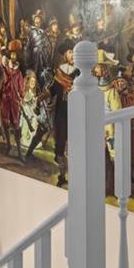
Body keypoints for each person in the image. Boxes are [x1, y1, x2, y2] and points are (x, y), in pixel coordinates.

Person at [49, 46, 77, 187]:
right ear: (65, 55)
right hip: (62, 112)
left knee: (75, 145)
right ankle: (62, 176)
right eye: (70, 52)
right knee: (60, 142)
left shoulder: (79, 72)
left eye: (74, 52)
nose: (72, 55)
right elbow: (53, 90)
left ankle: (77, 178)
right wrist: (43, 97)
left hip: (76, 112)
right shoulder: (59, 72)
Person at [0, 39, 25, 159]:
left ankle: (19, 151)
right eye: (12, 54)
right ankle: (8, 145)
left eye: (15, 55)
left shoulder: (18, 73)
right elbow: (0, 61)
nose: (13, 56)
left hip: (14, 101)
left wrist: (21, 97)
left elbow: (21, 87)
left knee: (16, 126)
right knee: (6, 123)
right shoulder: (5, 68)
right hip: (5, 99)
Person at [19, 70, 48, 164]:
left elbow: (34, 103)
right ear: (28, 82)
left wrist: (36, 102)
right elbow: (25, 104)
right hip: (27, 112)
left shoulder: (33, 92)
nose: (33, 83)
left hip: (32, 111)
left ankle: (32, 139)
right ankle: (26, 139)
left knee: (35, 120)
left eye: (34, 82)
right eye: (31, 81)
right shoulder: (27, 92)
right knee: (30, 121)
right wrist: (29, 113)